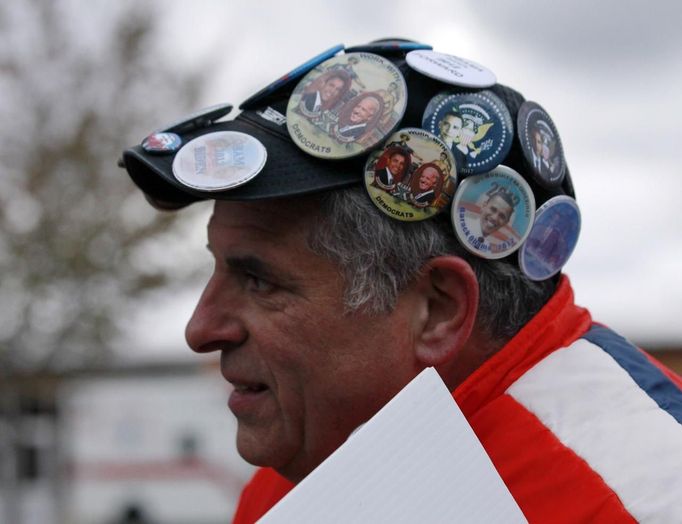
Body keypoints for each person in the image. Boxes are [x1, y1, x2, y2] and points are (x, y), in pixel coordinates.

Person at [120, 40, 682, 524]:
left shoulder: (635, 498)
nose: (201, 329)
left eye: (258, 280)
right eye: (217, 267)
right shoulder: (316, 455)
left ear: (437, 310)